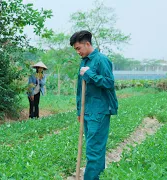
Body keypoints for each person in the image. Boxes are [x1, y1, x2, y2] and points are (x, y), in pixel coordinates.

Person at [70, 30, 118, 180]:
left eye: (79, 48)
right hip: (87, 111)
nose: (78, 52)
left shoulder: (101, 60)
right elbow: (80, 90)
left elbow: (109, 83)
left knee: (94, 150)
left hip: (99, 111)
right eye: (75, 49)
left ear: (87, 44)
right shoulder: (84, 61)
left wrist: (89, 74)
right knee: (95, 149)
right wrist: (79, 112)